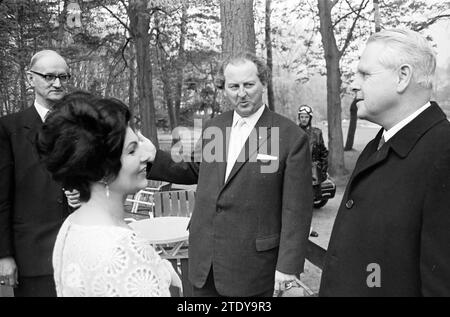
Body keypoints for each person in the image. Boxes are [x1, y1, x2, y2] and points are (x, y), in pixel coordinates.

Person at [142, 52, 313, 297]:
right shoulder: (215, 128)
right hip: (205, 264)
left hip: (253, 269)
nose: (241, 93)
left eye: (248, 85)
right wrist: (155, 157)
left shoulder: (290, 136)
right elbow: (196, 168)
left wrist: (288, 267)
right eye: (233, 86)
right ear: (225, 88)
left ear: (263, 84)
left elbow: (297, 209)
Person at [320, 29, 450, 296]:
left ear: (403, 76)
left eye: (365, 74)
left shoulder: (443, 153)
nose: (354, 84)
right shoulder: (377, 145)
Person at [36, 91, 181, 297]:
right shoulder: (123, 252)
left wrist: (161, 272)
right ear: (102, 169)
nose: (146, 155)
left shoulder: (74, 224)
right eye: (132, 150)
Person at [0, 50, 76, 296]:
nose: (57, 83)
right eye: (49, 76)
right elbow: (2, 196)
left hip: (79, 251)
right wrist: (4, 255)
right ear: (30, 78)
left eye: (63, 77)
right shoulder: (9, 128)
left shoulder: (81, 124)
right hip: (33, 257)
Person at [297, 105, 328, 199]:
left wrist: (323, 171)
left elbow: (323, 153)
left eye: (306, 117)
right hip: (298, 172)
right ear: (299, 118)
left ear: (310, 118)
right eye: (302, 117)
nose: (304, 119)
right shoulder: (294, 131)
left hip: (313, 173)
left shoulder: (317, 133)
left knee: (312, 199)